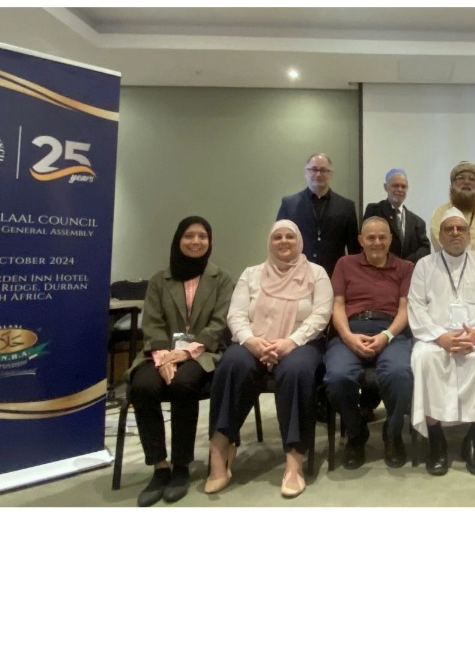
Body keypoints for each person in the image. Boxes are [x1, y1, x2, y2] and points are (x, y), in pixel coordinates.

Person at [206, 220, 333, 499]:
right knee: (232, 363)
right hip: (255, 341)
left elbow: (321, 314)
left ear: (299, 241)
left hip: (301, 342)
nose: (284, 241)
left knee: (296, 371)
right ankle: (219, 449)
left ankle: (294, 462)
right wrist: (251, 341)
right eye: (278, 237)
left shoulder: (316, 273)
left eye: (290, 236)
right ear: (269, 242)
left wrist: (291, 342)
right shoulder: (251, 274)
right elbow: (236, 315)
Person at [128, 216, 234, 506]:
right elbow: (152, 323)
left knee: (183, 385)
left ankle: (181, 466)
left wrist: (186, 352)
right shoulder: (159, 280)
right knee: (142, 386)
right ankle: (159, 466)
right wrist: (164, 356)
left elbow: (219, 323)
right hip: (159, 353)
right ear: (178, 240)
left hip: (203, 353)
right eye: (189, 236)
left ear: (209, 241)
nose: (196, 241)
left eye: (202, 236)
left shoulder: (222, 279)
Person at [408, 208, 475, 476]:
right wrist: (441, 337)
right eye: (448, 229)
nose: (455, 233)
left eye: (460, 229)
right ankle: (436, 439)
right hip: (435, 337)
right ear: (439, 236)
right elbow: (416, 306)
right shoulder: (424, 265)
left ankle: (473, 439)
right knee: (425, 358)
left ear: (469, 235)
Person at [325, 217, 415, 469]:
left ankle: (393, 433)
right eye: (371, 237)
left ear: (391, 239)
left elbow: (405, 309)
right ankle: (356, 433)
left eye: (382, 237)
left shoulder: (405, 267)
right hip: (350, 330)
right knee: (337, 377)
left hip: (391, 331)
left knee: (400, 374)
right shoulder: (345, 264)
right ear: (360, 240)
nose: (377, 242)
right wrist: (347, 336)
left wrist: (386, 335)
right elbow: (337, 305)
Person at [277, 152, 360, 275]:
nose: (318, 174)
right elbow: (278, 242)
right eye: (314, 169)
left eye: (323, 170)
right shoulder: (289, 204)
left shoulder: (347, 207)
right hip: (296, 273)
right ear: (306, 172)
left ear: (331, 174)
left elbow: (354, 249)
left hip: (334, 274)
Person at [364, 168, 431, 264]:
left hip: (407, 271)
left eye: (403, 186)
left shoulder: (417, 222)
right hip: (378, 268)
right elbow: (365, 241)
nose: (400, 189)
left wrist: (404, 264)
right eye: (395, 186)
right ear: (385, 187)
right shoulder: (374, 210)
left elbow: (425, 248)